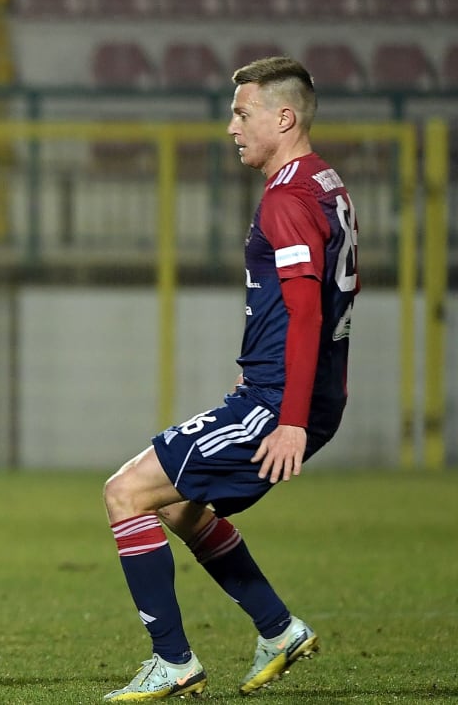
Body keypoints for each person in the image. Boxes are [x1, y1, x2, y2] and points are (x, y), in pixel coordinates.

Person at [101, 55, 357, 701]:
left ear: (285, 116)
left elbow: (306, 310)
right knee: (183, 506)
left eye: (242, 113)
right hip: (293, 393)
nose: (230, 126)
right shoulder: (324, 182)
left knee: (126, 492)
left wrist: (291, 418)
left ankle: (173, 661)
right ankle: (277, 628)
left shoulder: (288, 200)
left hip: (276, 400)